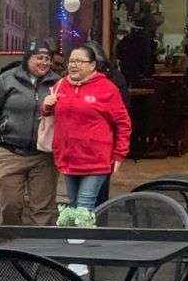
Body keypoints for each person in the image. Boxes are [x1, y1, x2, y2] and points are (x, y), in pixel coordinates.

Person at [0, 40, 60, 225]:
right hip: (9, 152)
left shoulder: (57, 83)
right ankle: (11, 242)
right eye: (39, 57)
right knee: (10, 205)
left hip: (43, 156)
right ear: (27, 58)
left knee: (43, 210)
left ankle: (40, 243)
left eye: (47, 58)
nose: (44, 62)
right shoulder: (8, 79)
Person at [43, 44, 130, 210]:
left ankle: (82, 229)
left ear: (92, 65)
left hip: (95, 160)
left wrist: (119, 154)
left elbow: (123, 123)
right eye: (71, 61)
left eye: (79, 61)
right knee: (74, 205)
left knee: (84, 207)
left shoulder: (107, 88)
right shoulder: (61, 85)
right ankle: (88, 228)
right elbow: (51, 115)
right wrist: (46, 106)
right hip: (68, 158)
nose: (73, 65)